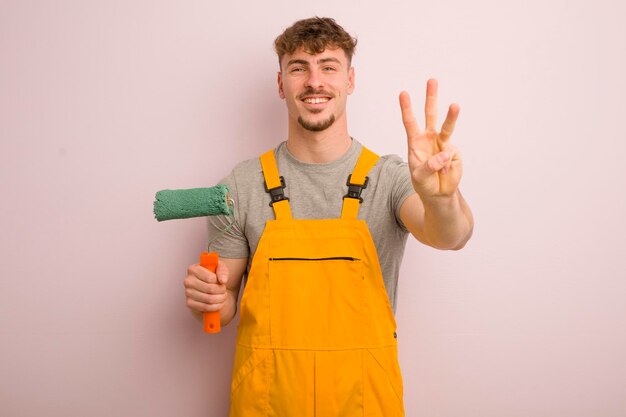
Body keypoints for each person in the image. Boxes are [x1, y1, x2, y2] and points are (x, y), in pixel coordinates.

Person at [183, 16, 473, 416]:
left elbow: (450, 236)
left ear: (349, 80)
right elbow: (222, 304)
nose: (314, 81)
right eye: (299, 67)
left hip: (364, 400)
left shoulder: (389, 178)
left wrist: (441, 198)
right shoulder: (239, 187)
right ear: (281, 83)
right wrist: (208, 300)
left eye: (328, 67)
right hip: (267, 402)